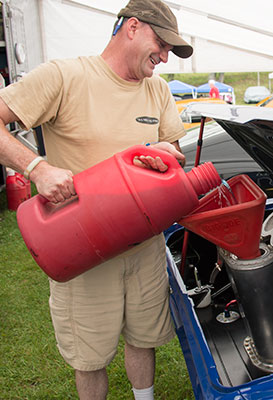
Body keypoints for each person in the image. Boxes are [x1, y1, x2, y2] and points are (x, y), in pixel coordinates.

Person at [0, 0, 193, 398]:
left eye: (171, 50)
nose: (165, 56)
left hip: (145, 246)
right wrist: (37, 167)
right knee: (91, 357)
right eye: (162, 43)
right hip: (83, 246)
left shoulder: (157, 89)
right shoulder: (65, 76)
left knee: (144, 338)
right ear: (133, 27)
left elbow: (173, 147)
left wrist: (163, 154)